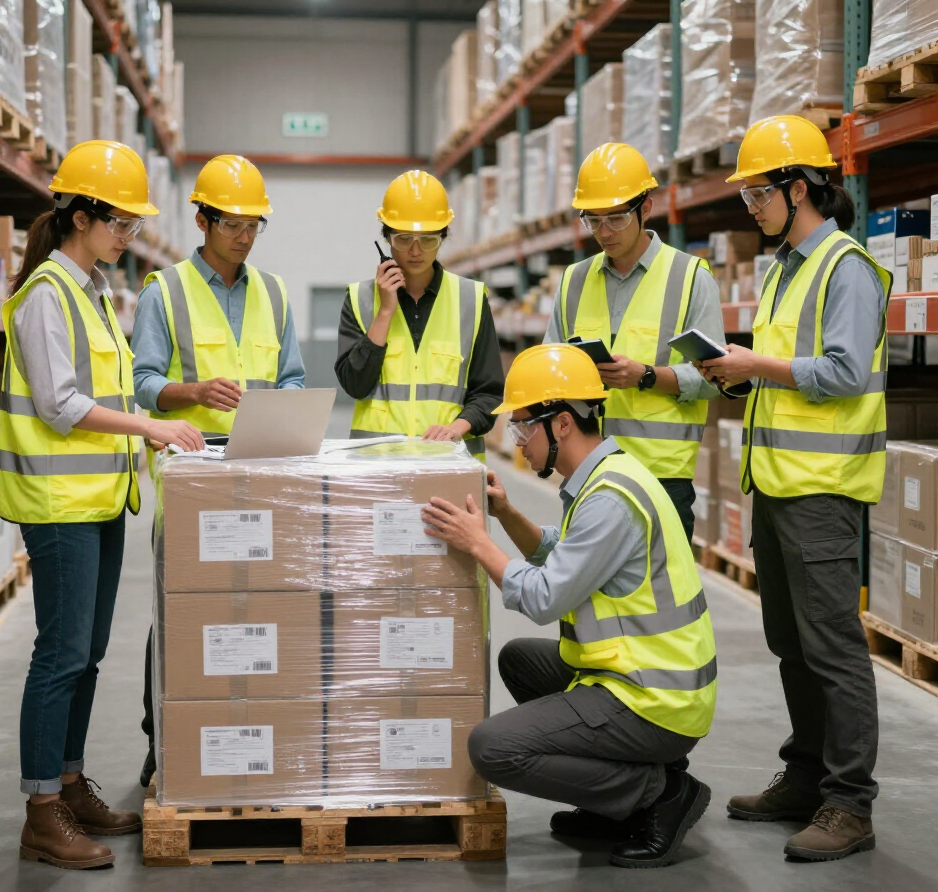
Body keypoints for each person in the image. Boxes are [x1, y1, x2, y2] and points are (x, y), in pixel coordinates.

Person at [421, 343, 717, 869]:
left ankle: (657, 792)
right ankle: (614, 800)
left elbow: (542, 596)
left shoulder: (608, 500)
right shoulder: (607, 476)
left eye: (522, 428)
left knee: (493, 748)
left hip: (655, 698)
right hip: (639, 673)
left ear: (560, 424)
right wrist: (507, 514)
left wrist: (478, 544)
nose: (517, 442)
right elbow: (566, 554)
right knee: (520, 659)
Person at [0, 141, 205, 870]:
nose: (129, 236)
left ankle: (68, 780)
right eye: (120, 222)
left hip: (99, 500)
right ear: (80, 216)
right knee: (58, 655)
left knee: (86, 654)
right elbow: (59, 405)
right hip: (58, 506)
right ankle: (40, 810)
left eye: (135, 226)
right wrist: (150, 426)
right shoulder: (46, 296)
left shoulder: (90, 292)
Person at [698, 115, 890, 863]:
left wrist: (758, 369)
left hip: (822, 489)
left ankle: (850, 804)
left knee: (834, 649)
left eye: (758, 195)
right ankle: (806, 776)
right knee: (791, 646)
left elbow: (842, 373)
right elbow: (787, 374)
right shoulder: (785, 268)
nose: (752, 210)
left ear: (800, 187)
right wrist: (739, 376)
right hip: (776, 485)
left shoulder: (845, 267)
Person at [132, 153, 305, 786]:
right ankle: (163, 740)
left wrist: (282, 412)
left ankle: (249, 728)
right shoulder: (165, 291)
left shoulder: (275, 293)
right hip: (191, 473)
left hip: (261, 471)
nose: (244, 234)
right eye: (232, 221)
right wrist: (195, 392)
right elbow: (143, 384)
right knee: (181, 608)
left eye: (253, 223)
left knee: (255, 608)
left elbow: (292, 378)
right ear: (203, 219)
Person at [544, 143, 725, 541]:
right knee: (591, 599)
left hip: (659, 477)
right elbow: (548, 369)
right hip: (587, 472)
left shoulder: (690, 277)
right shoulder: (574, 280)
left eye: (616, 218)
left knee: (661, 600)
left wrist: (645, 376)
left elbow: (713, 377)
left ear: (646, 208)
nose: (604, 232)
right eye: (593, 220)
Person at [335, 169, 503, 457]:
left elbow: (489, 393)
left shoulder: (471, 300)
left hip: (449, 466)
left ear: (443, 236)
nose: (415, 250)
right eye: (403, 238)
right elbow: (355, 385)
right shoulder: (360, 299)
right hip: (378, 471)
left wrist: (457, 428)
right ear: (386, 237)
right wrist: (385, 311)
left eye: (427, 239)